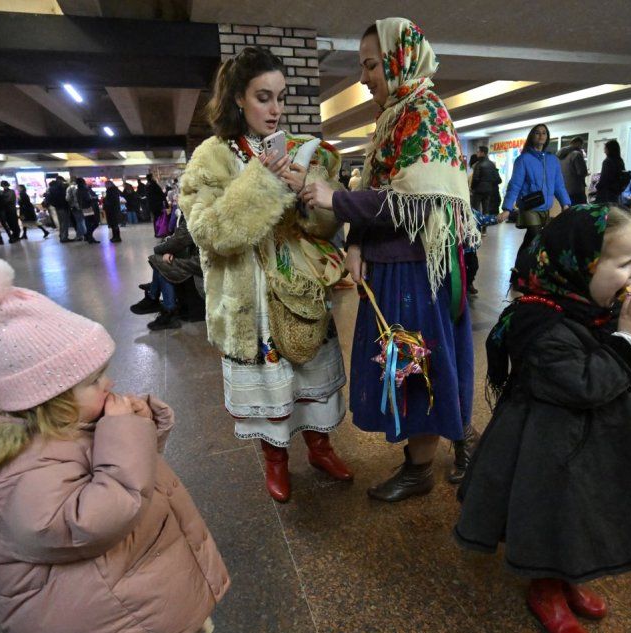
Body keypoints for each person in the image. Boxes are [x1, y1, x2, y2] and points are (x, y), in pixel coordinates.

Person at [0, 256, 228, 633]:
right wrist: (123, 432)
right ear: (48, 399)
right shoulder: (21, 474)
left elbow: (129, 479)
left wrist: (134, 427)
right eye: (93, 381)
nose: (108, 382)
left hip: (124, 607)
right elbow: (94, 519)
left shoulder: (64, 428)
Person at [454, 205, 631, 633]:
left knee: (584, 509)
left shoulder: (592, 305)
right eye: (624, 262)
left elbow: (624, 364)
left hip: (600, 433)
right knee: (554, 511)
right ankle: (546, 588)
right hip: (547, 443)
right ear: (581, 265)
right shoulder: (539, 323)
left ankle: (570, 577)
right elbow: (587, 384)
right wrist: (629, 338)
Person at [302, 19, 480, 496]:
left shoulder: (422, 113)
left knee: (413, 361)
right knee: (415, 358)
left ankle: (421, 468)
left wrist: (335, 200)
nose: (363, 78)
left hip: (416, 269)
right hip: (400, 266)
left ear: (400, 59)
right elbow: (382, 189)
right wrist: (356, 240)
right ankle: (444, 445)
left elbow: (416, 204)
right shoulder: (399, 113)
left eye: (371, 65)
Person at [180, 45, 352, 503]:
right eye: (263, 97)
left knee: (310, 366)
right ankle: (275, 459)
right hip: (248, 296)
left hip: (297, 284)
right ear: (238, 98)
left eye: (280, 96)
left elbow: (326, 227)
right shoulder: (210, 157)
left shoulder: (299, 149)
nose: (275, 109)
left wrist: (308, 194)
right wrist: (263, 183)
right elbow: (210, 232)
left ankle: (320, 446)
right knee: (269, 386)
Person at [499, 124, 571, 266]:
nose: (541, 135)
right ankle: (523, 267)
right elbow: (515, 185)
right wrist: (507, 208)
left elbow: (559, 185)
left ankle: (523, 266)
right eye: (537, 133)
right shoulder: (523, 159)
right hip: (530, 205)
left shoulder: (553, 160)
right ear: (532, 136)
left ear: (547, 137)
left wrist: (565, 204)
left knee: (532, 239)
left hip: (545, 207)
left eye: (544, 133)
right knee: (535, 235)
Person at [131, 217, 204, 330]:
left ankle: (166, 309)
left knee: (161, 261)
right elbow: (180, 238)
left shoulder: (196, 211)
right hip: (200, 259)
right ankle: (155, 297)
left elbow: (179, 238)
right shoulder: (197, 209)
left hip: (202, 262)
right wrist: (168, 250)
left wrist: (161, 249)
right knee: (162, 260)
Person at [593, 139, 628, 204]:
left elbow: (604, 178)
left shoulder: (607, 161)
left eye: (605, 149)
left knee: (603, 212)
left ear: (610, 149)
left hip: (605, 193)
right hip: (615, 193)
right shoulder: (620, 161)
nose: (604, 151)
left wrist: (597, 187)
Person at [557, 136, 589, 204]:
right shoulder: (576, 154)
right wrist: (587, 173)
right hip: (576, 190)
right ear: (578, 144)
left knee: (567, 211)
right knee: (579, 211)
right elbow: (582, 172)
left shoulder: (560, 155)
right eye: (581, 145)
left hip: (564, 190)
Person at [470, 146, 502, 215]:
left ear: (482, 153)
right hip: (488, 191)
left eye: (478, 152)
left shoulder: (478, 165)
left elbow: (475, 178)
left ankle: (475, 224)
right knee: (486, 209)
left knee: (475, 209)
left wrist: (472, 188)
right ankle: (485, 224)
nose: (477, 154)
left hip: (478, 190)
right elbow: (497, 179)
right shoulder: (492, 164)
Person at [75, 178, 99, 243]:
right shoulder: (85, 189)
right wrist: (95, 198)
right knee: (95, 223)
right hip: (88, 208)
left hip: (83, 208)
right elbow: (88, 199)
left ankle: (89, 237)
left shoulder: (78, 190)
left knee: (88, 223)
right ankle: (88, 235)